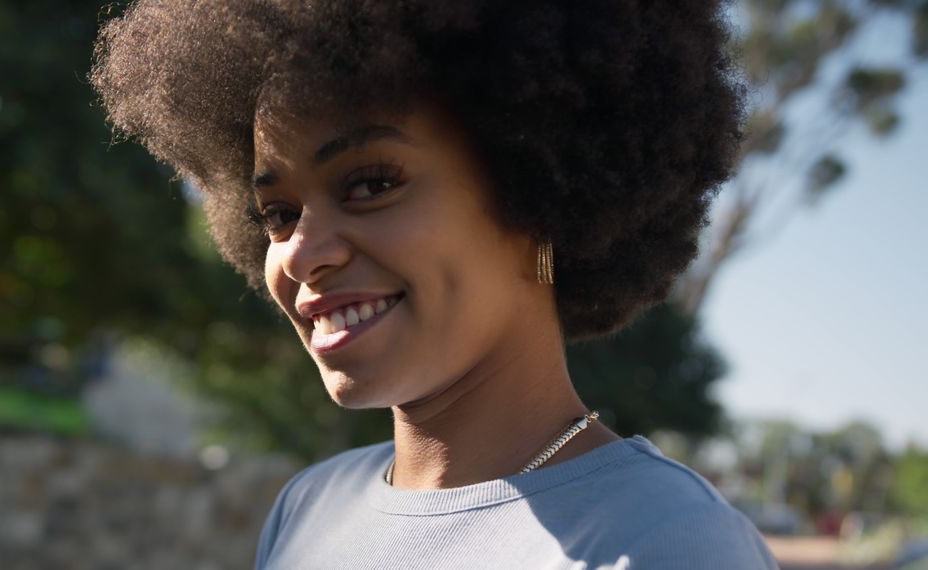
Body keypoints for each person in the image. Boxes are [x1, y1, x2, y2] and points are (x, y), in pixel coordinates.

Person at [90, 0, 779, 567]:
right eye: (278, 213)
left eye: (370, 184)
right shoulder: (307, 509)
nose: (301, 253)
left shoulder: (667, 544)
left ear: (535, 195)